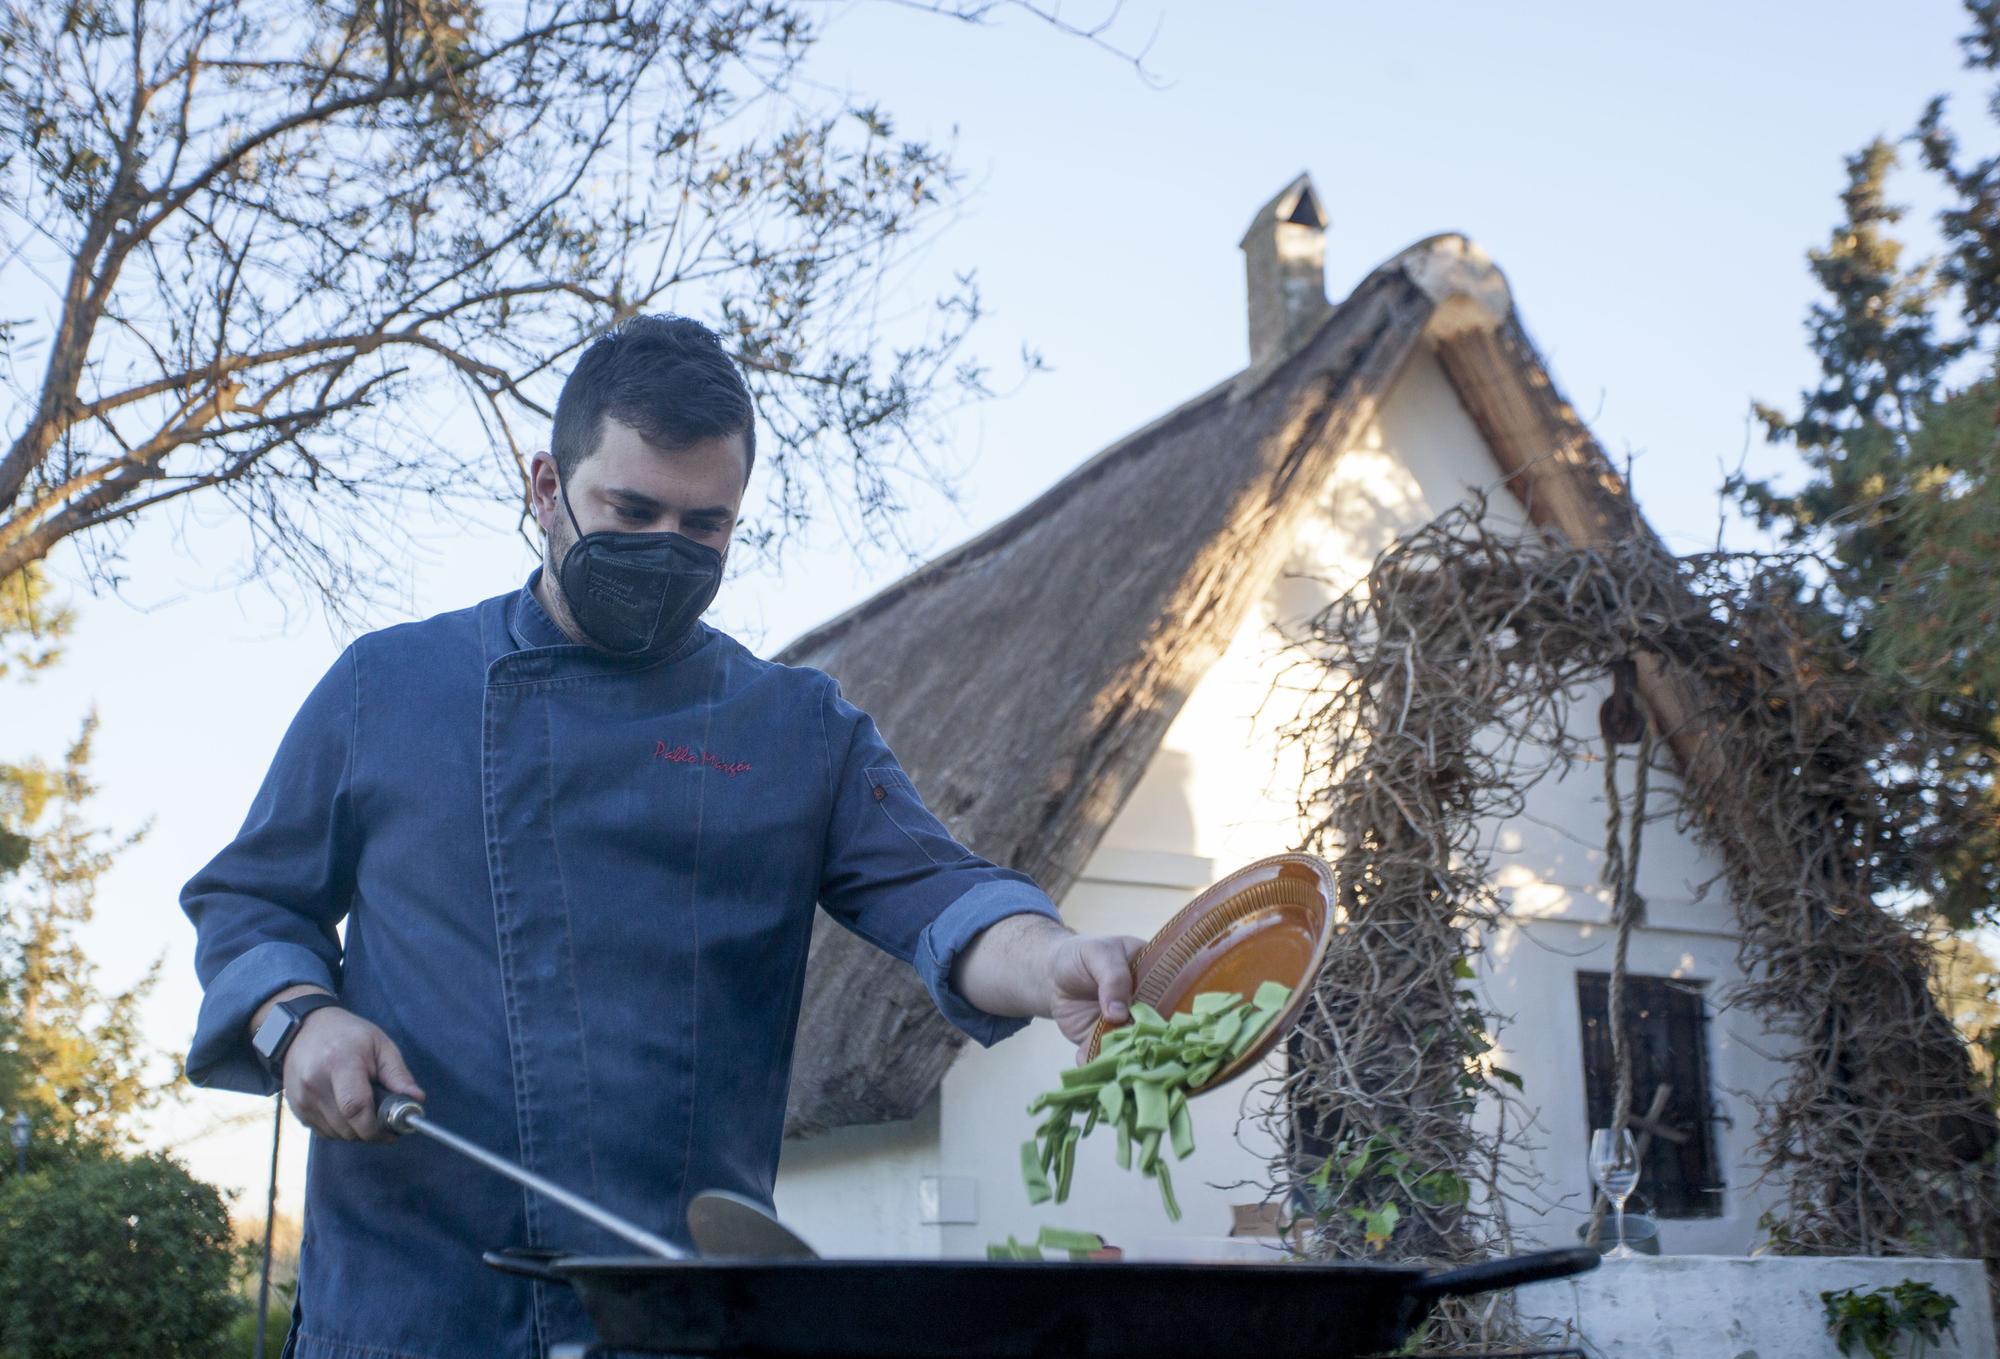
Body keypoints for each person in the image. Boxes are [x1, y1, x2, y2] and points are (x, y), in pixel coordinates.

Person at [184, 315, 1145, 1359]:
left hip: (676, 1322)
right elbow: (251, 905)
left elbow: (942, 898)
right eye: (631, 510)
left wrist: (1056, 956)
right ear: (546, 487)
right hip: (408, 1310)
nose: (665, 552)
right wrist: (299, 1021)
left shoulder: (795, 730)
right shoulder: (387, 688)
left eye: (704, 527)